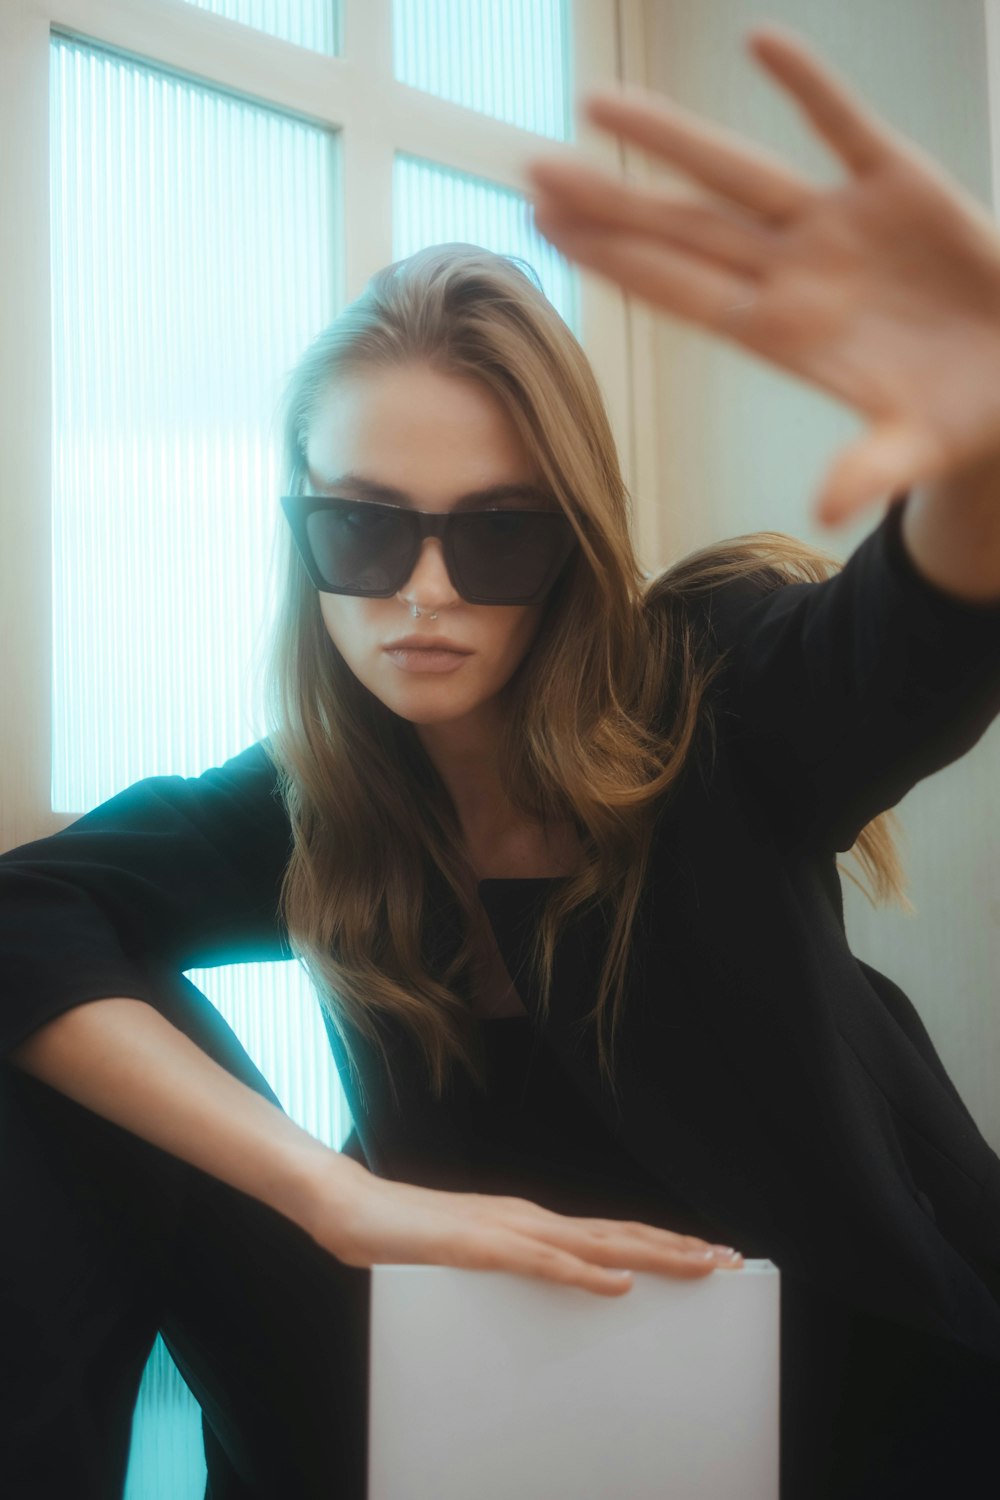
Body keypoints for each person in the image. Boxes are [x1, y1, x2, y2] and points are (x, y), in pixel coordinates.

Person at [3, 22, 1000, 1500]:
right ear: (303, 532)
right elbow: (30, 913)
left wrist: (981, 435)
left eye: (495, 531)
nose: (423, 593)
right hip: (453, 1361)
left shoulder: (711, 692)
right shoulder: (324, 796)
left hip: (798, 1377)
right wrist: (332, 1197)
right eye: (360, 523)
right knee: (45, 1057)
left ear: (575, 533)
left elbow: (909, 647)